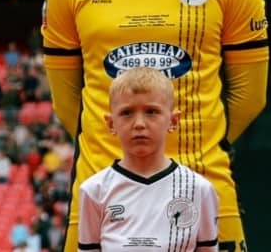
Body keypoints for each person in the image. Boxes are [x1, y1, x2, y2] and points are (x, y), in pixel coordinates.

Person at [41, 0, 269, 251]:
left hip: (207, 196)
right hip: (102, 204)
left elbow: (250, 97)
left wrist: (198, 141)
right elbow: (68, 104)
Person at [78, 67, 218, 251]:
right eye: (127, 113)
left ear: (173, 121)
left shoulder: (199, 189)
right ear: (111, 124)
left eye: (151, 111)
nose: (139, 124)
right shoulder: (94, 191)